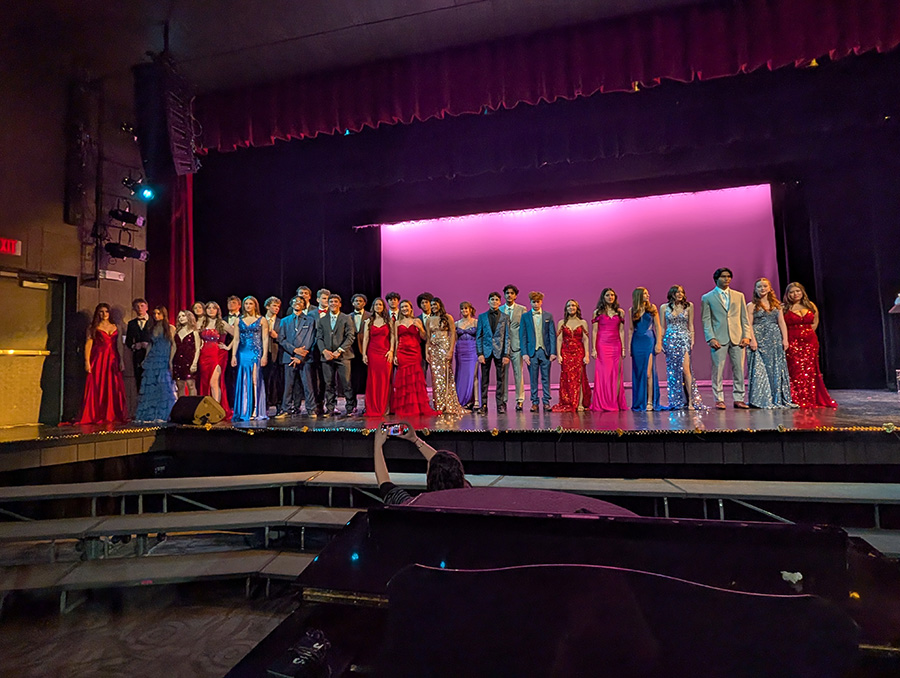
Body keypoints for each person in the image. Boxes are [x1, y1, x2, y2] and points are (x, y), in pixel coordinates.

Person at [373, 423, 468, 505]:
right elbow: (442, 462)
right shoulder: (468, 494)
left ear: (430, 479)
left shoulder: (413, 504)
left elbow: (384, 484)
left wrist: (378, 445)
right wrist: (415, 439)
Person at [700, 268, 751, 409]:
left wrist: (746, 336)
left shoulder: (738, 295)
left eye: (729, 276)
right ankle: (719, 399)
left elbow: (744, 318)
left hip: (737, 337)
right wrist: (711, 338)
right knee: (718, 370)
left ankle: (739, 398)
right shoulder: (708, 297)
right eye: (723, 276)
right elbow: (706, 320)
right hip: (719, 338)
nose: (727, 279)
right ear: (716, 279)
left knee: (739, 369)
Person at [783, 282, 837, 408]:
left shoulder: (810, 305)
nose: (795, 294)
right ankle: (797, 397)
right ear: (787, 294)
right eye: (791, 292)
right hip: (792, 341)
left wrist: (807, 334)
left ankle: (811, 397)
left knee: (811, 370)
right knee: (796, 370)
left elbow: (815, 322)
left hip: (810, 341)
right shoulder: (784, 308)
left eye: (798, 291)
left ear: (802, 292)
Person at [746, 278, 795, 409]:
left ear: (769, 288)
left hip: (774, 338)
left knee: (775, 368)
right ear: (755, 289)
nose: (762, 289)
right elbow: (749, 324)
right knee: (760, 369)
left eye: (764, 286)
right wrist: (752, 340)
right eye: (759, 287)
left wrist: (785, 339)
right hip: (758, 338)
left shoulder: (777, 305)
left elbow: (781, 323)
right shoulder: (751, 305)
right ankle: (761, 399)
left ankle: (777, 397)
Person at [79, 303, 129, 424]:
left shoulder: (116, 326)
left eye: (106, 311)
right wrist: (87, 361)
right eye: (101, 312)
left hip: (113, 359)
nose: (104, 314)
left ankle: (112, 414)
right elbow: (88, 344)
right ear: (98, 313)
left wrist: (121, 360)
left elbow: (120, 346)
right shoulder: (93, 327)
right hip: (99, 359)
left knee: (113, 386)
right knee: (98, 386)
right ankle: (98, 413)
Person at [392, 300, 439, 416]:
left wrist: (421, 328)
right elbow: (396, 340)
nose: (404, 309)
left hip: (415, 352)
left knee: (415, 379)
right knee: (404, 380)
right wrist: (395, 354)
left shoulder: (417, 320)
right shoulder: (397, 322)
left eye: (406, 307)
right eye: (402, 307)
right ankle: (406, 407)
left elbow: (424, 337)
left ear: (411, 308)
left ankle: (418, 406)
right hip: (402, 352)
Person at [661, 285, 704, 410]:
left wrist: (692, 340)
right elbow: (663, 327)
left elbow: (690, 325)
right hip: (670, 339)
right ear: (672, 294)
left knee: (686, 370)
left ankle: (691, 400)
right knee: (673, 371)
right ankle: (676, 401)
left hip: (684, 339)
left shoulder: (689, 306)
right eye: (677, 292)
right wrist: (661, 341)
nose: (680, 294)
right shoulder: (664, 307)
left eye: (682, 292)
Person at [134, 306, 178, 423]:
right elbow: (150, 345)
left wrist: (170, 360)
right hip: (153, 358)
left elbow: (173, 345)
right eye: (155, 313)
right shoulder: (152, 328)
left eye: (159, 313)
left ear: (164, 314)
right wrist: (146, 358)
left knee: (163, 386)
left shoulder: (170, 328)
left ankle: (163, 414)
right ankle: (149, 415)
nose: (156, 316)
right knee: (150, 386)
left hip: (163, 358)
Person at [276, 295, 318, 417]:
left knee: (307, 384)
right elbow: (281, 339)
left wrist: (300, 357)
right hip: (289, 356)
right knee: (288, 385)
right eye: (295, 301)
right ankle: (286, 409)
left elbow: (310, 339)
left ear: (304, 305)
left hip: (305, 358)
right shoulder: (284, 321)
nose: (297, 303)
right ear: (291, 304)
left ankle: (311, 409)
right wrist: (294, 351)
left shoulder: (310, 320)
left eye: (300, 301)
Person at [316, 293, 355, 417]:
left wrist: (339, 350)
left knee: (346, 382)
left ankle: (350, 408)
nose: (333, 304)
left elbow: (350, 336)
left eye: (335, 302)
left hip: (343, 356)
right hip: (327, 357)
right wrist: (324, 351)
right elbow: (319, 337)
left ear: (340, 304)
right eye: (331, 302)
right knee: (329, 383)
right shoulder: (322, 320)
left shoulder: (346, 318)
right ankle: (330, 408)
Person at [231, 295, 269, 421]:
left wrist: (264, 355)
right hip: (242, 352)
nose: (248, 306)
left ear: (255, 305)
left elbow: (265, 339)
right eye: (246, 304)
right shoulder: (238, 320)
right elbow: (236, 339)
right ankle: (244, 410)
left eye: (250, 304)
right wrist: (233, 356)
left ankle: (256, 410)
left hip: (256, 352)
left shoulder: (262, 320)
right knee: (243, 379)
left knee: (255, 380)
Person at [590, 288, 627, 412]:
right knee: (603, 374)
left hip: (615, 345)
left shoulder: (620, 312)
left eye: (612, 295)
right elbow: (594, 331)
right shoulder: (597, 312)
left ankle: (614, 401)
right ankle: (603, 402)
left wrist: (623, 348)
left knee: (615, 374)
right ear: (603, 297)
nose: (610, 297)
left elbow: (621, 331)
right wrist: (594, 348)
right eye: (607, 295)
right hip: (602, 344)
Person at [425, 297, 464, 415]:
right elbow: (427, 337)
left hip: (444, 347)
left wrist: (450, 350)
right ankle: (439, 405)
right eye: (431, 305)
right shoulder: (429, 319)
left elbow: (452, 334)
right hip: (433, 348)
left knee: (446, 375)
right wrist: (427, 352)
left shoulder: (448, 317)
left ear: (440, 305)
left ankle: (448, 403)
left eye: (435, 305)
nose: (433, 307)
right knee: (436, 378)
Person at [520, 291, 557, 412]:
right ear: (530, 302)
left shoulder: (548, 316)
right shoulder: (525, 317)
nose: (536, 304)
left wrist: (553, 352)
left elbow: (552, 335)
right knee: (533, 378)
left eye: (538, 302)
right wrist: (524, 353)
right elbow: (523, 336)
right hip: (532, 352)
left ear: (541, 302)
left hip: (545, 352)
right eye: (533, 302)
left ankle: (546, 401)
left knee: (546, 377)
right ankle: (534, 402)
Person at [552, 299, 592, 412]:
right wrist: (559, 355)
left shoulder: (583, 322)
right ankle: (568, 401)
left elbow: (585, 339)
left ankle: (579, 403)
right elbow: (559, 339)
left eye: (573, 306)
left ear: (577, 308)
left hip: (579, 352)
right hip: (566, 353)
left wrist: (587, 355)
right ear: (566, 309)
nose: (571, 308)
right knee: (567, 378)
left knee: (579, 378)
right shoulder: (562, 323)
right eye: (569, 306)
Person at [475, 292, 511, 414]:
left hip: (500, 352)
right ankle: (483, 404)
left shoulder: (505, 317)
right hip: (486, 352)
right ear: (488, 301)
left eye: (496, 299)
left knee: (500, 379)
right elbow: (479, 336)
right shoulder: (482, 316)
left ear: (500, 302)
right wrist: (479, 353)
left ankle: (500, 404)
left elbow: (507, 337)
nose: (494, 301)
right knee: (484, 380)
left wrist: (506, 354)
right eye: (492, 299)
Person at [628, 288, 663, 411]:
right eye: (645, 294)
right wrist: (629, 346)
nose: (648, 295)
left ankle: (650, 401)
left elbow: (658, 326)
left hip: (649, 340)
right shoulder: (632, 310)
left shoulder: (652, 308)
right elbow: (631, 329)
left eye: (648, 293)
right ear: (638, 296)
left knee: (648, 373)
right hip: (637, 341)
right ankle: (640, 401)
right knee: (639, 372)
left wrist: (659, 343)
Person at [197, 301, 233, 419]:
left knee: (214, 382)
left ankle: (216, 410)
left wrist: (228, 347)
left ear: (218, 310)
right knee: (205, 382)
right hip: (204, 355)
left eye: (214, 308)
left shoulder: (222, 323)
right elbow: (194, 336)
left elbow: (238, 335)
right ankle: (206, 409)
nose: (211, 310)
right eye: (209, 308)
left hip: (218, 355)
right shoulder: (201, 323)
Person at [362, 297, 394, 418]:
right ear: (373, 307)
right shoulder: (369, 321)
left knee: (385, 380)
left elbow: (392, 337)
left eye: (380, 305)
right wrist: (364, 354)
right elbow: (366, 338)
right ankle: (373, 406)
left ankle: (385, 407)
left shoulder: (389, 321)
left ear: (383, 307)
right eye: (376, 305)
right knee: (373, 380)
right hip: (373, 353)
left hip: (385, 353)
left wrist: (391, 351)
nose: (378, 307)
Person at [502, 284, 527, 412]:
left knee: (518, 374)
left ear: (516, 295)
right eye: (507, 293)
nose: (509, 295)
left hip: (517, 347)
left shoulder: (522, 309)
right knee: (503, 375)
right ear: (504, 295)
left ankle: (520, 400)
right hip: (503, 348)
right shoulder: (499, 309)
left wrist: (524, 347)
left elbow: (525, 329)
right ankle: (504, 401)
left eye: (512, 293)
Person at [454, 301, 480, 411]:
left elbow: (479, 338)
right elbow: (454, 339)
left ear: (470, 309)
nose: (464, 311)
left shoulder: (476, 322)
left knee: (472, 375)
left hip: (472, 350)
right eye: (462, 309)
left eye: (466, 308)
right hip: (461, 350)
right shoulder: (456, 324)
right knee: (461, 375)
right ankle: (462, 400)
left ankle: (475, 400)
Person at [349, 293, 371, 415]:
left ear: (364, 303)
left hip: (366, 351)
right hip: (351, 351)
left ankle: (368, 405)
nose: (358, 303)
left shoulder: (370, 316)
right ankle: (352, 405)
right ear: (353, 303)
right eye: (356, 301)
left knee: (367, 378)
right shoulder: (348, 317)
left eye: (361, 301)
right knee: (352, 380)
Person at [172, 309, 201, 397]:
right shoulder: (176, 332)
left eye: (183, 316)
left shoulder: (194, 332)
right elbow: (174, 348)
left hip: (190, 360)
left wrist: (194, 363)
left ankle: (192, 406)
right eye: (179, 316)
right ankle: (182, 407)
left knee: (191, 385)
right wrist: (170, 361)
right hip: (178, 361)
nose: (181, 318)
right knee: (180, 385)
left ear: (189, 317)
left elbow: (197, 349)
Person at [124, 297, 151, 391]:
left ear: (147, 307)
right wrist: (134, 346)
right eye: (137, 306)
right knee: (139, 381)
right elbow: (128, 341)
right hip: (138, 356)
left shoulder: (153, 322)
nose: (140, 308)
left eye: (142, 306)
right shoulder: (131, 323)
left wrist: (149, 345)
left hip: (152, 356)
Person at [263, 296, 284, 413]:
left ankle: (279, 405)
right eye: (274, 306)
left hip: (277, 355)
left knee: (277, 381)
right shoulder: (260, 320)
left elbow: (285, 339)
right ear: (267, 306)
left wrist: (277, 337)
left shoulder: (282, 322)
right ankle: (264, 404)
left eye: (278, 306)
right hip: (263, 355)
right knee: (264, 380)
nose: (276, 308)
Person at [224, 295, 242, 406]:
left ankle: (238, 401)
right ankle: (229, 402)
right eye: (229, 303)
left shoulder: (243, 318)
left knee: (238, 377)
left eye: (234, 302)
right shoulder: (223, 319)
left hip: (240, 350)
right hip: (224, 352)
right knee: (227, 378)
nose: (231, 304)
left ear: (239, 305)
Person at [416, 292, 434, 376]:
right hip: (422, 350)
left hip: (436, 348)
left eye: (427, 302)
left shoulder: (437, 317)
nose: (424, 304)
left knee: (437, 374)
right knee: (422, 373)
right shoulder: (417, 319)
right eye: (422, 303)